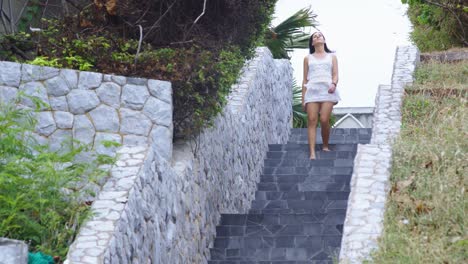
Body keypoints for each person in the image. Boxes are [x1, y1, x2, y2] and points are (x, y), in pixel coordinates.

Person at [302, 31, 340, 160]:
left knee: (324, 119)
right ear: (312, 42)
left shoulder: (332, 57)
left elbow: (335, 74)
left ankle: (325, 145)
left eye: (320, 35)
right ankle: (312, 152)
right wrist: (303, 99)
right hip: (312, 91)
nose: (317, 37)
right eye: (314, 36)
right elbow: (305, 80)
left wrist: (334, 84)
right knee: (312, 120)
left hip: (327, 90)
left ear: (324, 40)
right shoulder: (308, 58)